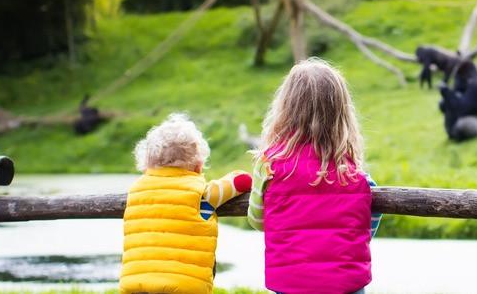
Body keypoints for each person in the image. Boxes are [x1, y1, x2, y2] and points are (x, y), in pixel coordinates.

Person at [247, 58, 381, 294]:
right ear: (341, 113)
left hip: (291, 285)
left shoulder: (269, 167)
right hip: (345, 285)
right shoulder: (357, 177)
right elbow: (365, 227)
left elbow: (258, 221)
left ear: (286, 109)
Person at [120, 113, 252, 294]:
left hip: (136, 285)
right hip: (184, 288)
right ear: (198, 165)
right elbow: (243, 180)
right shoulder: (202, 194)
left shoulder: (135, 191)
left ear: (146, 163)